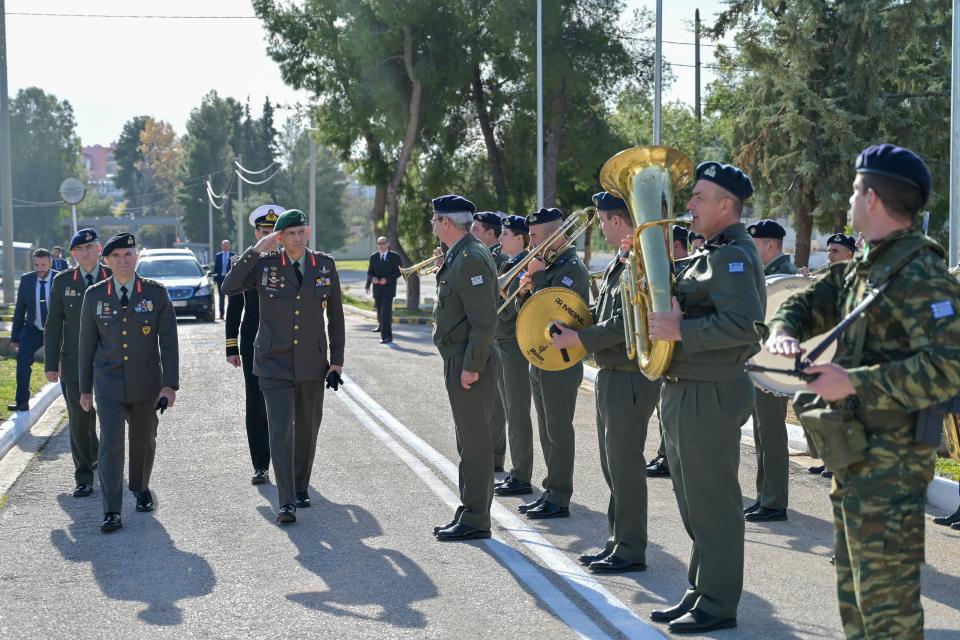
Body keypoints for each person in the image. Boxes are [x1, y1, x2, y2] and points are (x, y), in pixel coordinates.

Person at [767, 144, 960, 639]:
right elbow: (808, 299)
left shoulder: (922, 274)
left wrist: (853, 381)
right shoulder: (865, 266)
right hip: (853, 453)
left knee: (887, 610)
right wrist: (784, 330)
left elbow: (947, 369)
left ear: (872, 198)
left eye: (855, 191)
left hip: (892, 468)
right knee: (855, 600)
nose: (850, 200)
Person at [647, 161, 764, 633]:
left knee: (713, 504)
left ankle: (717, 603)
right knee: (694, 502)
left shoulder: (735, 255)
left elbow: (745, 326)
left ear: (725, 206)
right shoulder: (709, 252)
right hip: (687, 387)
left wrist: (680, 331)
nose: (690, 204)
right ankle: (700, 589)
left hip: (709, 392)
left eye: (699, 197)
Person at [551, 192, 661, 573]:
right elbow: (604, 311)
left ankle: (630, 549)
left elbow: (626, 321)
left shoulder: (642, 259)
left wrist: (580, 339)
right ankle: (618, 540)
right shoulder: (622, 259)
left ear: (616, 220)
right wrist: (572, 322)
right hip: (612, 374)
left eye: (601, 220)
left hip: (629, 377)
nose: (599, 227)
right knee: (612, 465)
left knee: (625, 466)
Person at [222, 209, 345, 524]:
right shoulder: (265, 266)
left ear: (308, 232)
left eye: (302, 232)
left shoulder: (324, 265)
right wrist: (255, 251)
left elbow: (336, 316)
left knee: (307, 429)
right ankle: (286, 501)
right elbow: (229, 287)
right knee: (280, 432)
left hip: (311, 362)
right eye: (291, 233)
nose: (298, 238)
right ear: (280, 237)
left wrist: (337, 361)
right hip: (272, 361)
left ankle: (301, 486)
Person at [78, 233, 179, 533]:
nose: (123, 260)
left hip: (146, 382)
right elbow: (86, 345)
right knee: (110, 444)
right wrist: (85, 388)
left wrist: (170, 385)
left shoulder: (155, 293)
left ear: (137, 257)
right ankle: (111, 510)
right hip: (107, 382)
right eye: (116, 256)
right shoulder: (95, 296)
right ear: (106, 261)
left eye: (128, 254)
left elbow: (169, 342)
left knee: (144, 439)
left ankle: (140, 486)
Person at [426, 195, 498, 541]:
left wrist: (472, 366)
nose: (433, 224)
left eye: (434, 219)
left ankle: (476, 518)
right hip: (460, 357)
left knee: (475, 443)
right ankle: (470, 508)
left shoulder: (469, 257)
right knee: (468, 441)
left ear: (446, 222)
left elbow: (484, 321)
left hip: (469, 360)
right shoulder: (460, 254)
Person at [515, 207, 590, 520]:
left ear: (553, 235)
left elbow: (555, 311)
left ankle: (559, 497)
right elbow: (531, 312)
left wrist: (537, 276)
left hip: (561, 361)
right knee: (546, 429)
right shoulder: (550, 265)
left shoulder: (572, 268)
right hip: (542, 356)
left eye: (534, 236)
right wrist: (524, 290)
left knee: (558, 431)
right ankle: (551, 490)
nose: (530, 242)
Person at [44, 229, 111, 498]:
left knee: (110, 416)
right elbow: (53, 324)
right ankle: (83, 476)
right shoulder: (63, 282)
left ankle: (108, 466)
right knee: (80, 419)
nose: (85, 253)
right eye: (79, 249)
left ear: (99, 249)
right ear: (73, 254)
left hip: (110, 361)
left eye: (90, 247)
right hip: (74, 362)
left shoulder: (113, 276)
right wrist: (51, 363)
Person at [743, 219, 798, 523]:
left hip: (774, 367)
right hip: (760, 365)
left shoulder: (786, 277)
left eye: (755, 245)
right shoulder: (766, 274)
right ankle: (764, 496)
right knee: (762, 435)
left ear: (771, 245)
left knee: (772, 435)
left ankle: (775, 502)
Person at [225, 205, 283, 486]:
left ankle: (285, 461)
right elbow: (234, 306)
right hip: (253, 341)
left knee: (285, 405)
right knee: (256, 403)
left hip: (284, 343)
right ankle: (261, 465)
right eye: (264, 231)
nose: (269, 236)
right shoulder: (244, 263)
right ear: (256, 234)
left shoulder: (290, 261)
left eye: (273, 231)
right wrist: (231, 346)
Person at [806, 233, 856, 478]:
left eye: (835, 251)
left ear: (849, 255)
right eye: (828, 251)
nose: (829, 255)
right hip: (828, 353)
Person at [646, 223, 692, 479]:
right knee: (663, 409)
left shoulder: (685, 271)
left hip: (681, 354)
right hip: (664, 349)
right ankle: (665, 454)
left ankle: (668, 457)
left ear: (675, 245)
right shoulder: (671, 271)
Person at [492, 215, 534, 497]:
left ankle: (521, 475)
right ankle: (516, 471)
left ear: (520, 238)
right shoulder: (508, 265)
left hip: (514, 346)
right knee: (507, 410)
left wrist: (497, 292)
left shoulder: (524, 266)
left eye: (505, 234)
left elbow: (509, 312)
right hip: (501, 343)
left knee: (517, 413)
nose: (500, 239)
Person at [471, 211, 509, 472]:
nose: (471, 232)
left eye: (476, 229)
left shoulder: (501, 259)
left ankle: (495, 458)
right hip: (487, 336)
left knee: (496, 405)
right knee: (485, 403)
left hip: (500, 336)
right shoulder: (480, 255)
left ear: (491, 233)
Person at [9, 249, 58, 412]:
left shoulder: (61, 279)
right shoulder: (27, 280)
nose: (40, 269)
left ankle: (73, 405)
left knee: (66, 367)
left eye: (43, 265)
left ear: (50, 263)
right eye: (36, 265)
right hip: (33, 330)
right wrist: (15, 337)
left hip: (58, 331)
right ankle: (22, 402)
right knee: (22, 362)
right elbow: (19, 310)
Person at [365, 236, 401, 344]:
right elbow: (370, 272)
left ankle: (387, 336)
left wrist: (387, 280)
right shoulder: (374, 257)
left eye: (383, 243)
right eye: (379, 243)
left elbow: (399, 271)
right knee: (380, 312)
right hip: (377, 289)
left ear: (388, 244)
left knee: (385, 312)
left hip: (389, 289)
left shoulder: (395, 256)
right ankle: (381, 327)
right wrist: (372, 280)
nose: (381, 245)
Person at [213, 239, 236, 320]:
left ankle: (230, 314)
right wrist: (215, 279)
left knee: (230, 297)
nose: (225, 247)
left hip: (229, 279)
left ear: (229, 246)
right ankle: (221, 314)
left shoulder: (233, 255)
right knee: (221, 297)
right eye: (224, 245)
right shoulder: (218, 255)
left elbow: (235, 268)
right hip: (220, 278)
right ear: (222, 246)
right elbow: (216, 268)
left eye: (227, 245)